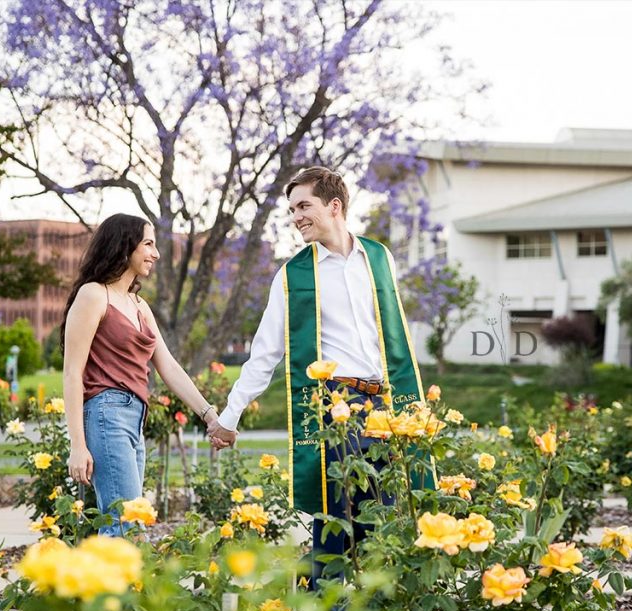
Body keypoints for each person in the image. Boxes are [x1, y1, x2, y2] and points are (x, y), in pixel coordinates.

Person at [207, 167, 432, 586]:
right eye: (292, 209)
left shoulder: (379, 259)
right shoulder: (293, 276)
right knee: (333, 524)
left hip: (386, 408)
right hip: (334, 410)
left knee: (380, 522)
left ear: (334, 206)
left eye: (303, 206)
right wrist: (229, 415)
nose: (296, 217)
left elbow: (394, 334)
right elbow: (265, 353)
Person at [62, 213, 224, 536]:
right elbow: (71, 372)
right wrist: (77, 445)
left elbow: (168, 367)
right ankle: (113, 587)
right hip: (106, 415)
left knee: (128, 523)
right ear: (126, 247)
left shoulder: (139, 306)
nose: (156, 254)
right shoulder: (94, 295)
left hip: (135, 420)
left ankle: (109, 585)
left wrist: (209, 415)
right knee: (125, 526)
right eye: (148, 244)